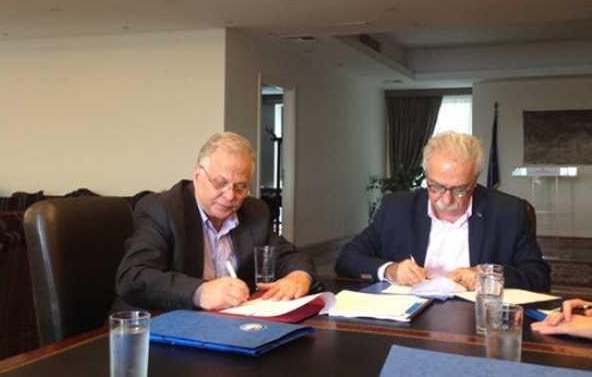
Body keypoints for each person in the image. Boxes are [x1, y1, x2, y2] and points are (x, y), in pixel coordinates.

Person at [113, 132, 317, 311]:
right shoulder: (162, 209)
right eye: (220, 183)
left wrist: (299, 276)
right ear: (197, 176)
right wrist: (200, 292)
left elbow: (286, 255)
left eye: (240, 186)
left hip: (231, 323)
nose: (230, 196)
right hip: (160, 324)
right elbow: (133, 277)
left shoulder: (253, 211)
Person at [335, 131, 550, 292]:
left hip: (476, 321)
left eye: (459, 189)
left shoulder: (508, 212)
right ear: (426, 176)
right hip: (409, 322)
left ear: (475, 181)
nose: (446, 200)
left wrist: (486, 278)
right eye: (435, 187)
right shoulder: (397, 208)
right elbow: (346, 259)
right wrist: (391, 270)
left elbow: (539, 277)